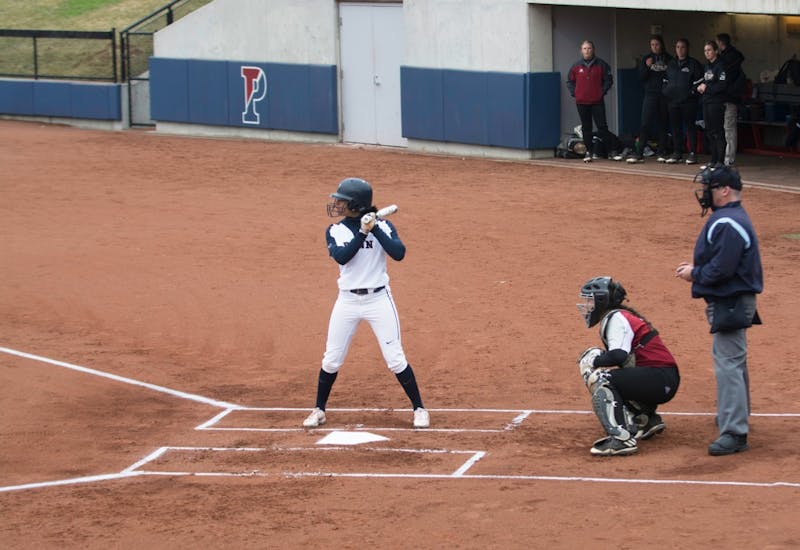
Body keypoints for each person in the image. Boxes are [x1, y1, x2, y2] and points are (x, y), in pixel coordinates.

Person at [302, 177, 429, 429]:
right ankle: (319, 409)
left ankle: (419, 409)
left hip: (378, 300)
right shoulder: (335, 230)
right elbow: (342, 257)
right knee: (331, 359)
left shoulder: (384, 225)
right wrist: (362, 231)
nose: (336, 203)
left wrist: (375, 227)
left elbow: (398, 253)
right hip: (348, 301)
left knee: (395, 358)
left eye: (342, 200)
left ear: (356, 205)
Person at [676, 166, 762, 456]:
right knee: (734, 360)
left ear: (725, 190)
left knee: (728, 363)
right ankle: (736, 412)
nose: (705, 193)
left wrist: (694, 273)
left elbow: (722, 269)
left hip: (731, 300)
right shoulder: (730, 218)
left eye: (710, 187)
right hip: (733, 299)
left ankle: (735, 431)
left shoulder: (727, 223)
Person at [576, 276, 681, 456]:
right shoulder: (621, 316)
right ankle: (646, 420)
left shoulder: (616, 318)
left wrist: (592, 360)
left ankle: (621, 438)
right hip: (663, 378)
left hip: (659, 378)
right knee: (618, 375)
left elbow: (618, 355)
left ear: (602, 300)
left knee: (602, 379)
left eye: (591, 299)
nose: (588, 305)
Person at [566, 40, 614, 163]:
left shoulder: (601, 64)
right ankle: (589, 152)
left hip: (597, 101)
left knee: (602, 126)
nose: (587, 51)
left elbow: (608, 80)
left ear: (593, 50)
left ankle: (611, 151)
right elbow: (570, 81)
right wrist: (575, 93)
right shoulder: (576, 66)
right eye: (584, 48)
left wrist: (601, 92)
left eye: (589, 48)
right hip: (581, 102)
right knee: (586, 128)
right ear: (581, 51)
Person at [627, 35, 672, 164]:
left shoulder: (669, 59)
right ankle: (639, 152)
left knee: (663, 123)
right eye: (652, 45)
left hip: (664, 95)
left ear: (661, 45)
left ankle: (662, 152)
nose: (654, 47)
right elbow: (641, 77)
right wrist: (647, 66)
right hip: (650, 94)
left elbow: (672, 77)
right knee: (645, 122)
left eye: (657, 44)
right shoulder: (647, 58)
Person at [662, 38, 704, 165]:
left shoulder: (694, 64)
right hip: (673, 102)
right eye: (678, 47)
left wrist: (691, 93)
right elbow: (664, 81)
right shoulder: (671, 64)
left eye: (683, 47)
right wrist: (667, 93)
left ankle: (692, 153)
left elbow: (699, 82)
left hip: (688, 102)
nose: (680, 50)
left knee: (690, 127)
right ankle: (677, 153)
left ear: (687, 48)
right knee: (675, 128)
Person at [696, 41, 728, 170]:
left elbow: (722, 85)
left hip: (717, 102)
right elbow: (706, 80)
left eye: (709, 50)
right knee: (709, 131)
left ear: (715, 51)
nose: (707, 53)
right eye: (705, 50)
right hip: (706, 102)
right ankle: (713, 159)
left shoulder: (721, 66)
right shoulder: (707, 66)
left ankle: (720, 160)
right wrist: (700, 86)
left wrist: (706, 87)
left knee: (718, 132)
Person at [716, 33, 746, 167]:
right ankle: (726, 157)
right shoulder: (733, 58)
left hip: (728, 97)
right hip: (727, 97)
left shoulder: (724, 60)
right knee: (726, 128)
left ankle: (728, 158)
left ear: (720, 43)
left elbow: (725, 80)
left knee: (728, 128)